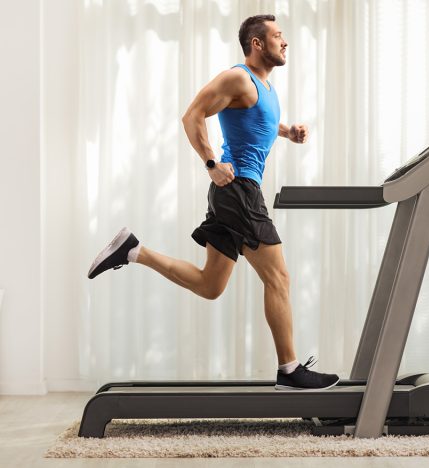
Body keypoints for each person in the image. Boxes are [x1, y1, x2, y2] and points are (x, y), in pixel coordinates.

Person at [87, 14, 339, 391]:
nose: (285, 42)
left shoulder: (265, 87)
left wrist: (288, 132)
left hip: (234, 193)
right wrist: (210, 164)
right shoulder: (238, 77)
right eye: (278, 36)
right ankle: (290, 370)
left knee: (210, 285)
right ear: (257, 43)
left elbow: (258, 123)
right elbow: (192, 116)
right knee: (279, 278)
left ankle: (134, 251)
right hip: (238, 191)